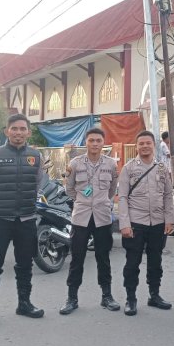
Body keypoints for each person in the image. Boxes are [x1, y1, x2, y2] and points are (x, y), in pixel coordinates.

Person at [0, 113, 46, 329]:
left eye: (22, 129)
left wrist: (28, 207)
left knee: (25, 265)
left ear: (28, 132)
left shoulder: (36, 156)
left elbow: (37, 185)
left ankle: (24, 304)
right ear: (7, 131)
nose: (18, 132)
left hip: (26, 219)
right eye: (14, 129)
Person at [59, 127, 120, 315]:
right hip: (81, 217)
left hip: (102, 217)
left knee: (103, 257)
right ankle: (72, 298)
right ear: (86, 142)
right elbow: (69, 189)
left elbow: (112, 190)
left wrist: (101, 201)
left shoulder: (111, 164)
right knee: (77, 258)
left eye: (98, 141)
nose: (94, 144)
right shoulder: (75, 163)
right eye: (91, 140)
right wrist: (84, 198)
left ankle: (107, 296)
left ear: (103, 143)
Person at [118, 130, 174, 316]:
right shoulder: (128, 168)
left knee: (155, 262)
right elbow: (123, 198)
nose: (144, 146)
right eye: (141, 143)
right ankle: (131, 298)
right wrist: (124, 224)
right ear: (137, 146)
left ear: (153, 145)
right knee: (132, 263)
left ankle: (154, 295)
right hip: (136, 223)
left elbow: (168, 196)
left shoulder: (162, 169)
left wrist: (170, 220)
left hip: (157, 223)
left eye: (148, 143)